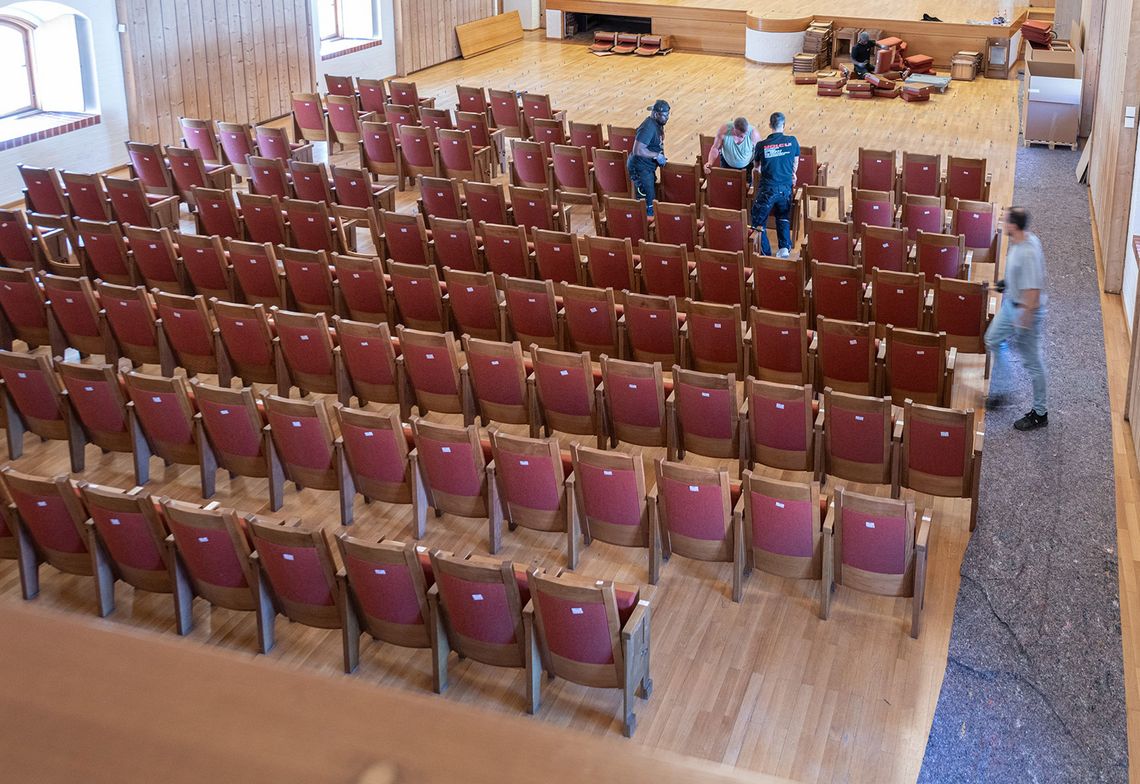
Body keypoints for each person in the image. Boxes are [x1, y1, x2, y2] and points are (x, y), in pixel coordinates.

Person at [984, 206, 1049, 430]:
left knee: (1032, 363)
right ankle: (1002, 390)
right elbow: (1019, 273)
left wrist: (1024, 320)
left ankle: (1040, 413)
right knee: (992, 339)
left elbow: (1033, 292)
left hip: (1025, 311)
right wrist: (1007, 283)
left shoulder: (1028, 252)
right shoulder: (1022, 240)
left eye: (1005, 219)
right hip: (1012, 304)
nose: (1002, 221)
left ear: (1013, 225)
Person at [749, 112, 800, 258]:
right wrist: (793, 174)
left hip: (767, 190)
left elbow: (756, 167)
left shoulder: (761, 145)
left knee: (758, 222)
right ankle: (784, 248)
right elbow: (795, 162)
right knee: (783, 216)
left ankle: (765, 254)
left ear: (770, 125)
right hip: (786, 189)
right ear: (783, 125)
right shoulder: (792, 141)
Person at [628, 99, 669, 217]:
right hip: (640, 169)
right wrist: (657, 155)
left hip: (647, 168)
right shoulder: (648, 128)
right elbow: (637, 150)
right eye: (665, 115)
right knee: (648, 203)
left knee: (650, 197)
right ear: (656, 114)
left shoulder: (658, 124)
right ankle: (645, 226)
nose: (667, 118)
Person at [704, 117, 763, 183]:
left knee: (745, 189)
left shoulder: (753, 133)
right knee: (726, 186)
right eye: (739, 135)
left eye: (744, 135)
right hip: (727, 165)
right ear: (733, 130)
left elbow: (760, 151)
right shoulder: (724, 130)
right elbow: (715, 148)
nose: (742, 137)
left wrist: (758, 167)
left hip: (747, 167)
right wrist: (710, 162)